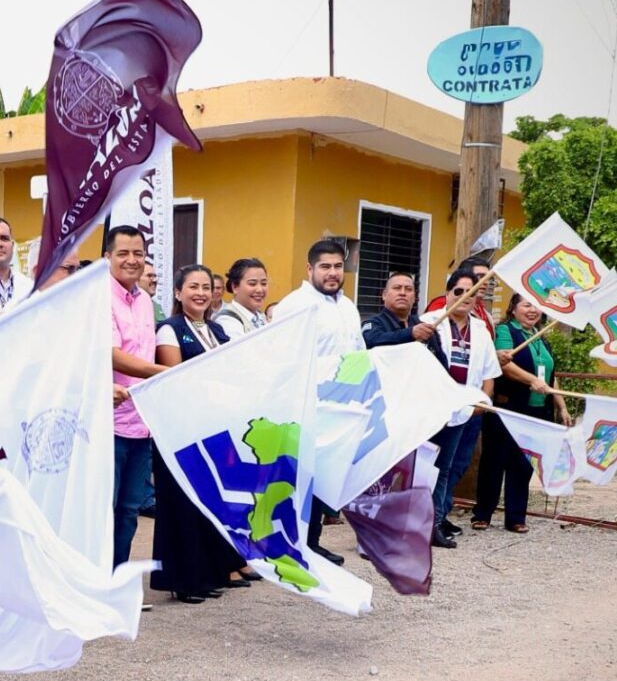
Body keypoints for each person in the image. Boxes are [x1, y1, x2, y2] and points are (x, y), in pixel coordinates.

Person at [150, 264, 257, 603]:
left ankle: (209, 572)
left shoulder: (214, 329)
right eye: (192, 287)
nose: (200, 293)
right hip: (179, 428)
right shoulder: (169, 329)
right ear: (178, 293)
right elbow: (174, 376)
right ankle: (183, 580)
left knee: (208, 502)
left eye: (206, 287)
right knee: (180, 504)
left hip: (210, 426)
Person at [273, 239, 366, 565]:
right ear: (309, 269)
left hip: (340, 408)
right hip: (304, 406)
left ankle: (311, 543)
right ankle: (291, 544)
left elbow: (358, 354)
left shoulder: (348, 307)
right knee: (299, 479)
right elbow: (282, 359)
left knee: (324, 478)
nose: (332, 273)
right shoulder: (294, 305)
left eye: (338, 266)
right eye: (325, 267)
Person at [472, 293, 570, 533]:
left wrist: (561, 405)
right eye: (526, 305)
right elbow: (504, 365)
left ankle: (516, 517)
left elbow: (549, 378)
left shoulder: (542, 339)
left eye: (537, 306)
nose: (532, 310)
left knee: (523, 464)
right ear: (513, 309)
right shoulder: (507, 331)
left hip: (537, 411)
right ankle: (483, 513)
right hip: (508, 408)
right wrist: (532, 380)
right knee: (494, 461)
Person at [426, 267, 501, 548]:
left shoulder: (481, 330)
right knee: (421, 466)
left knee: (446, 468)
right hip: (430, 409)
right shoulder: (429, 322)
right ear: (448, 294)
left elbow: (489, 374)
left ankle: (434, 523)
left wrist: (483, 402)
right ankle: (408, 523)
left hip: (463, 411)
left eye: (471, 292)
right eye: (460, 291)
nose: (465, 297)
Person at [106, 225, 165, 567]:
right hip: (109, 422)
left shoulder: (145, 301)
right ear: (107, 258)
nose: (132, 260)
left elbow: (145, 351)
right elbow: (111, 354)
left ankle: (118, 585)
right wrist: (163, 374)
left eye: (138, 253)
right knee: (105, 508)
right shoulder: (101, 297)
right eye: (123, 253)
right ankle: (97, 587)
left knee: (130, 511)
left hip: (141, 423)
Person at [361, 271, 446, 364]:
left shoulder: (424, 329)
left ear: (414, 298)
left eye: (408, 289)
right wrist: (410, 334)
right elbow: (372, 341)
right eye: (397, 288)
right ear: (384, 295)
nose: (402, 293)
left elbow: (441, 364)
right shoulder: (373, 323)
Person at [214, 258, 270, 339]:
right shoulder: (227, 320)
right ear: (235, 287)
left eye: (264, 283)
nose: (260, 290)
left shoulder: (261, 317)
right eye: (252, 284)